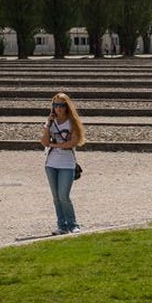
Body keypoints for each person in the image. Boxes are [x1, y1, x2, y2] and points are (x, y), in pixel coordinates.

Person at [39, 92, 86, 234]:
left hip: (67, 163)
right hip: (51, 164)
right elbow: (44, 142)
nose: (58, 108)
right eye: (55, 105)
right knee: (56, 197)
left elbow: (73, 142)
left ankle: (72, 224)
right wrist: (48, 125)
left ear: (67, 106)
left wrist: (55, 145)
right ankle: (62, 225)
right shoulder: (51, 123)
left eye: (61, 105)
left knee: (64, 196)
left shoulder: (72, 123)